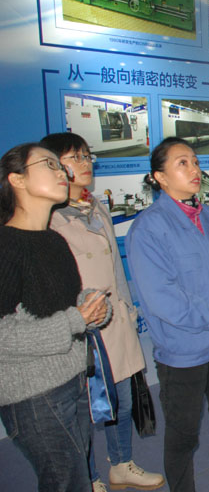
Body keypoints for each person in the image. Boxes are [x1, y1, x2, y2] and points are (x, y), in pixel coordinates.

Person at [125, 138, 209, 492]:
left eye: (195, 161)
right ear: (159, 177)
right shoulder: (148, 228)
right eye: (182, 163)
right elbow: (163, 298)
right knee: (183, 437)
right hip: (183, 353)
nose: (195, 169)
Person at [40, 132, 164, 492]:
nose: (85, 163)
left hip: (115, 322)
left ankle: (121, 464)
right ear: (53, 166)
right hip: (81, 330)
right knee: (83, 411)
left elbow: (115, 271)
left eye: (86, 155)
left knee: (122, 402)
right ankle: (89, 478)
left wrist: (127, 309)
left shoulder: (95, 205)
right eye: (74, 157)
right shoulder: (48, 217)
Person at [0, 143, 109, 492]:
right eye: (50, 165)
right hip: (34, 395)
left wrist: (91, 307)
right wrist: (76, 319)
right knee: (67, 482)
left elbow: (62, 303)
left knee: (77, 478)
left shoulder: (53, 240)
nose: (63, 173)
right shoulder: (6, 246)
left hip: (72, 380)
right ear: (17, 179)